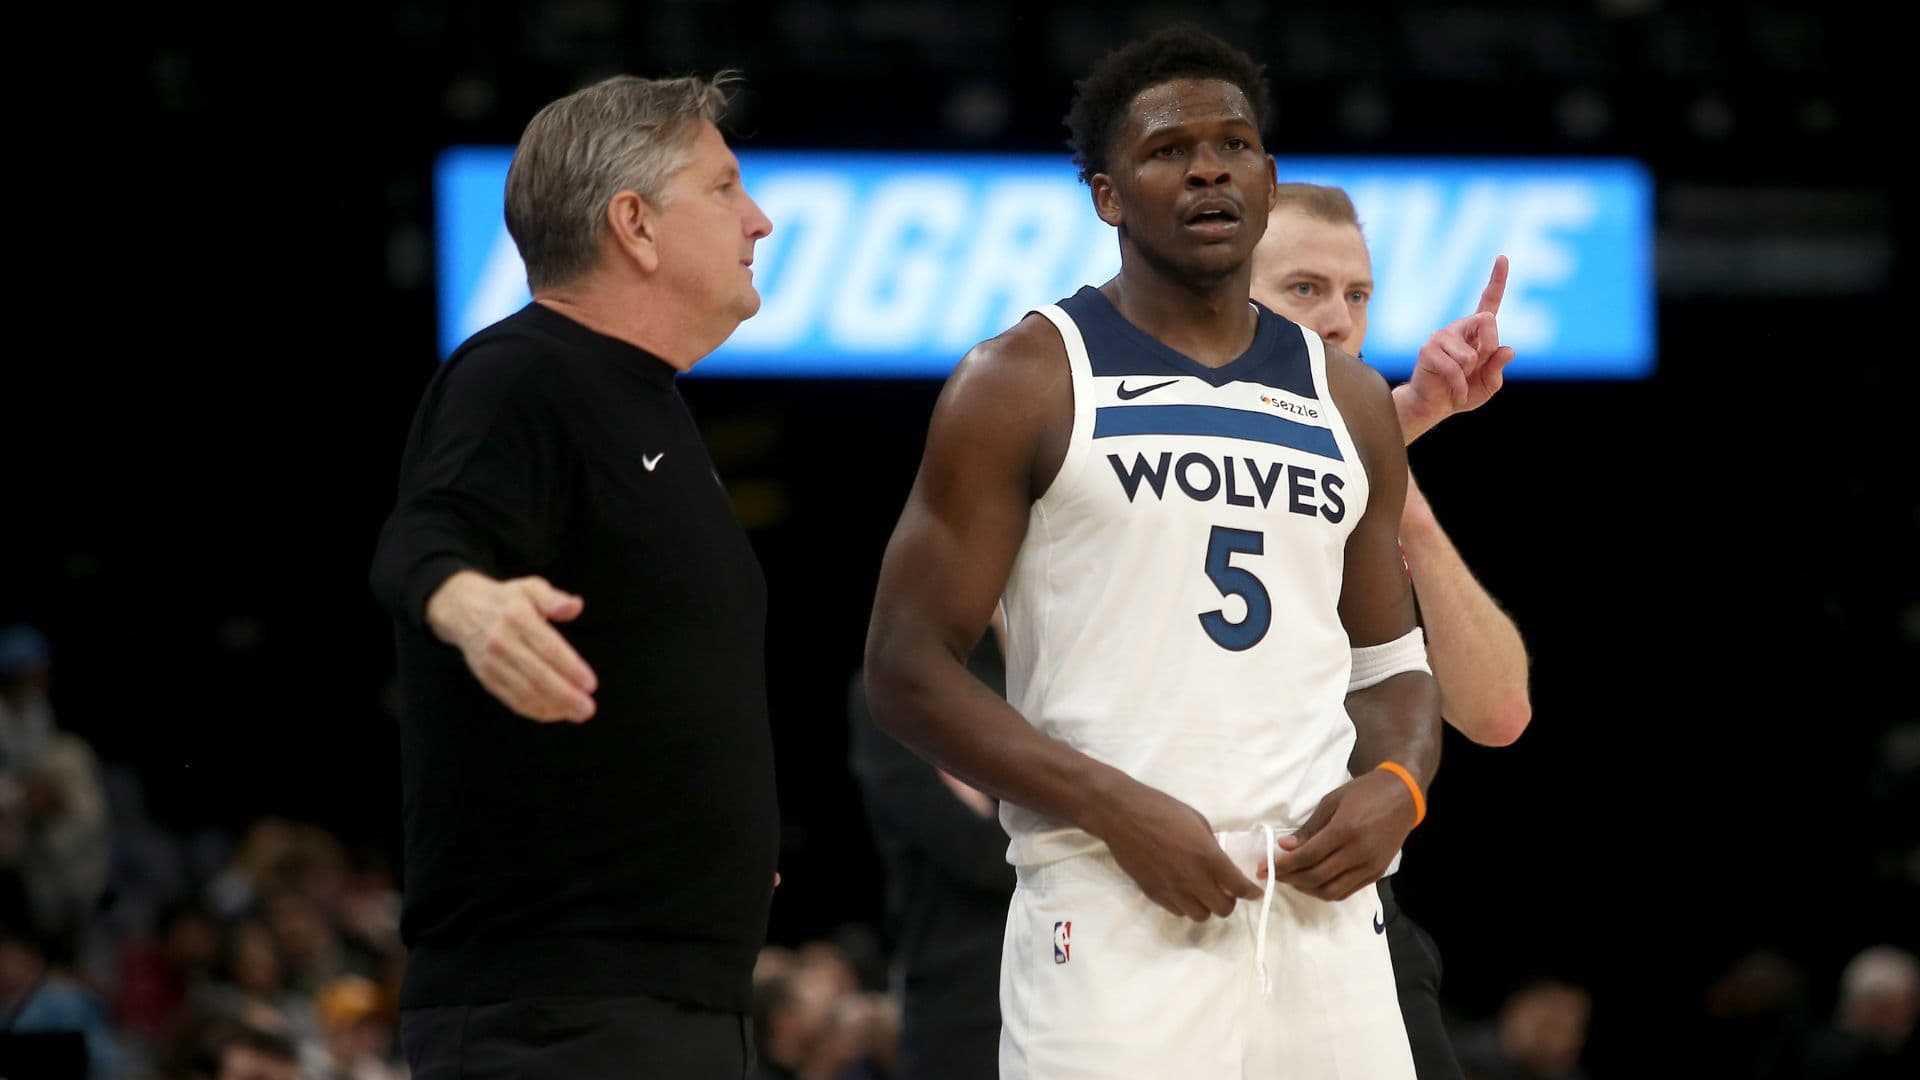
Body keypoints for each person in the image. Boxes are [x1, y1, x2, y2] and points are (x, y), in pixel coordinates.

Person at [865, 25, 1496, 1076]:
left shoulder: (1346, 397)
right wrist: (1113, 806)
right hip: (1115, 904)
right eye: (1167, 151)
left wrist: (1400, 781)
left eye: (1233, 144)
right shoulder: (1024, 377)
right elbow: (906, 672)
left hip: (1320, 920)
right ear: (1108, 196)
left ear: (1268, 175)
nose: (1208, 166)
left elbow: (1391, 666)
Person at [368, 71, 777, 1078]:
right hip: (557, 1021)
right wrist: (465, 602)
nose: (759, 220)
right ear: (633, 224)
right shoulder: (520, 376)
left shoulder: (650, 405)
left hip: (666, 1007)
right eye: (725, 189)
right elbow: (425, 537)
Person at [1250, 182, 1532, 1078]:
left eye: (1357, 295)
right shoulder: (1136, 444)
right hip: (1171, 901)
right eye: (1304, 289)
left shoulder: (1366, 463)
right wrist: (1394, 423)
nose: (1339, 320)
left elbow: (1497, 713)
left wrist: (1394, 459)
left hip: (1350, 910)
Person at [847, 618, 1014, 1080]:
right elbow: (977, 852)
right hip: (963, 1003)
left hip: (1076, 981)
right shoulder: (895, 692)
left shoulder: (1060, 687)